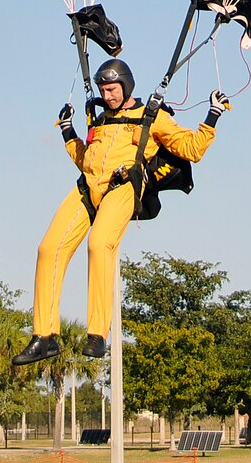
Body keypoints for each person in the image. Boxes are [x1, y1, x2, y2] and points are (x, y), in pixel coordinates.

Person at [13, 57, 226, 364]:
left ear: (126, 86)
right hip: (89, 187)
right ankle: (44, 337)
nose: (107, 95)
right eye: (103, 89)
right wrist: (66, 132)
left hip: (123, 186)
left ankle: (98, 333)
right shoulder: (98, 119)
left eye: (112, 89)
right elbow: (86, 159)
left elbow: (192, 149)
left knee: (99, 243)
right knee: (48, 249)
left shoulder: (151, 116)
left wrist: (213, 115)